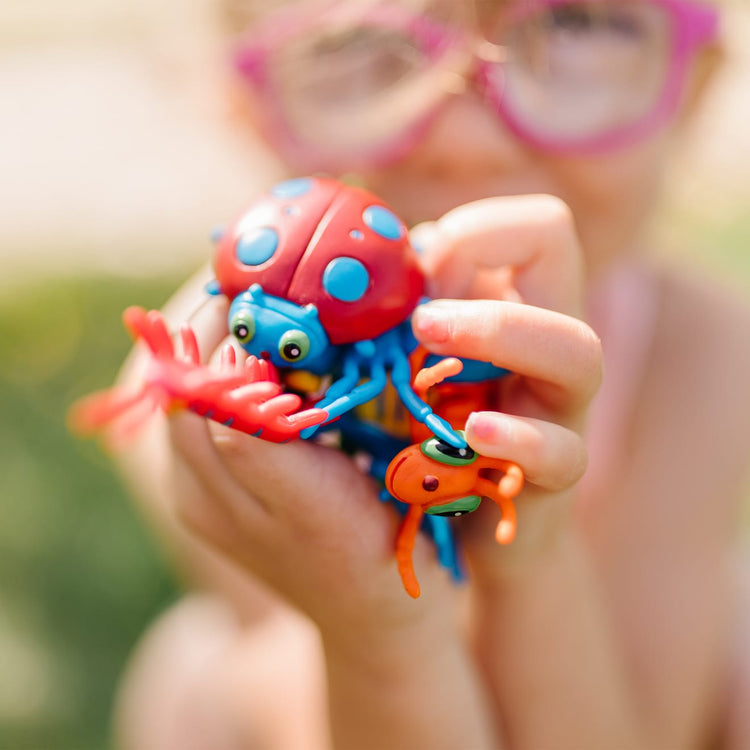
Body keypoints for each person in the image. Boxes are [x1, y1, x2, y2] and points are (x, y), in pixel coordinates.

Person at [109, 1, 750, 748]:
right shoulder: (216, 401)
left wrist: (530, 558)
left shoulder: (695, 349)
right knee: (195, 684)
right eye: (358, 43)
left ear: (690, 87)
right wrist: (380, 633)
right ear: (253, 109)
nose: (464, 140)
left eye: (575, 24)